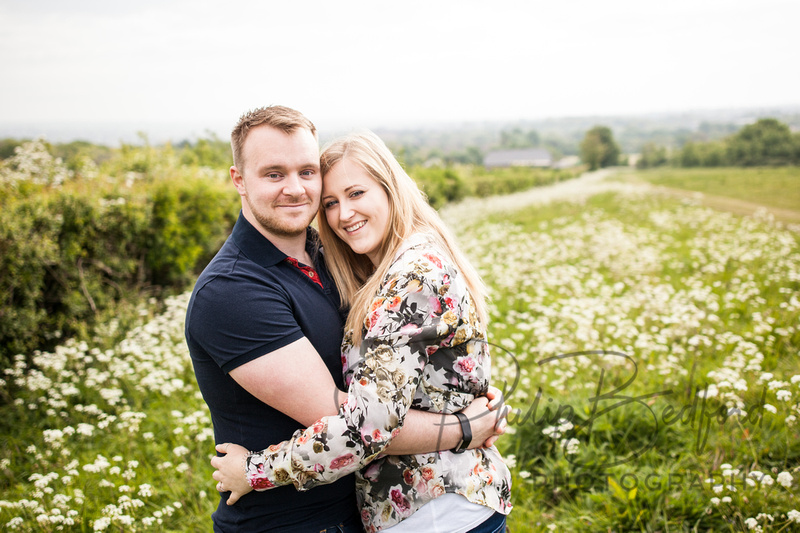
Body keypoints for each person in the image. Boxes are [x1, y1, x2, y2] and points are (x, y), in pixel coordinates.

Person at [186, 106, 506, 532]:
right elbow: (359, 418)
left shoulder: (341, 259)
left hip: (421, 508)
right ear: (239, 180)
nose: (296, 189)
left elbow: (380, 406)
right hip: (290, 523)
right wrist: (464, 426)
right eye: (274, 174)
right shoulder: (231, 291)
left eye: (306, 171)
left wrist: (466, 406)